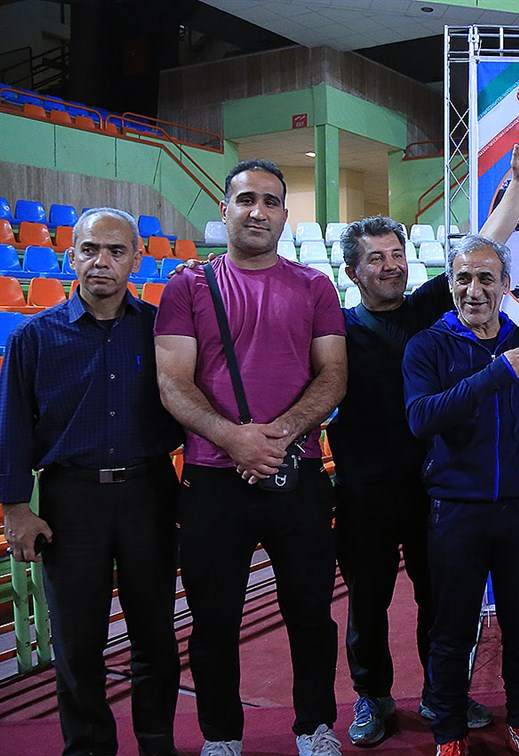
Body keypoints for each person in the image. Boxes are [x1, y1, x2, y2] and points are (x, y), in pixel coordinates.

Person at [328, 134, 519, 747]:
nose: (392, 265)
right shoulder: (338, 330)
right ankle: (372, 696)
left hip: (433, 490)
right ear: (353, 271)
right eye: (377, 258)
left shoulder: (426, 309)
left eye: (398, 254)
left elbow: (486, 250)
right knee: (368, 601)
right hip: (366, 490)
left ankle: (439, 696)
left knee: (442, 604)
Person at [155, 159, 347, 756]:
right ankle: (221, 736)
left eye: (270, 201)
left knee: (311, 614)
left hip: (298, 475)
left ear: (285, 214)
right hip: (213, 482)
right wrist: (232, 438)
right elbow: (172, 381)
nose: (257, 211)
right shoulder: (188, 287)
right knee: (213, 620)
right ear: (226, 210)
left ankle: (315, 727)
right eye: (245, 200)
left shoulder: (315, 287)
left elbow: (333, 375)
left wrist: (278, 436)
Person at [0, 208, 182, 756]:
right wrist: (16, 509)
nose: (102, 261)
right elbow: (12, 426)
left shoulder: (161, 332)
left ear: (136, 259)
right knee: (78, 643)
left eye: (116, 251)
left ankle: (156, 743)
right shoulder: (34, 337)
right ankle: (88, 747)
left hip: (149, 493)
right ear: (70, 255)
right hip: (70, 501)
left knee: (155, 636)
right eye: (90, 250)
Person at [404, 234, 519, 756]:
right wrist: (494, 375)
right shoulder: (427, 345)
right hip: (455, 511)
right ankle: (449, 733)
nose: (474, 290)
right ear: (450, 285)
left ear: (505, 284)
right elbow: (421, 418)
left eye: (486, 278)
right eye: (463, 278)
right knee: (451, 632)